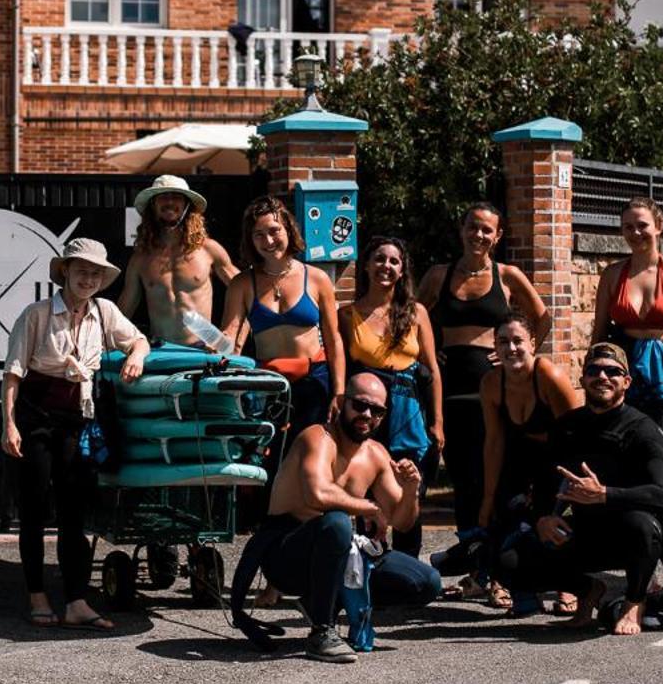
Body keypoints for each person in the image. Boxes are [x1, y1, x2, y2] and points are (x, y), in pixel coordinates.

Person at [1, 238, 149, 630]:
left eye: (95, 273)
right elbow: (13, 373)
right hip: (34, 418)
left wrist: (135, 354)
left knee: (73, 512)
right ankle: (36, 594)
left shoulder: (105, 311)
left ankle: (76, 600)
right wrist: (9, 424)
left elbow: (139, 339)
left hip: (78, 420)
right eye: (81, 270)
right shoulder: (36, 314)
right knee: (33, 511)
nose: (88, 278)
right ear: (65, 271)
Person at [233, 373, 431, 663]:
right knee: (337, 522)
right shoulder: (317, 437)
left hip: (338, 551)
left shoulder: (376, 454)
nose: (367, 415)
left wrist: (412, 489)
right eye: (360, 405)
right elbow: (318, 495)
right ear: (341, 402)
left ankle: (325, 602)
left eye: (377, 411)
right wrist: (370, 508)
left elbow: (401, 522)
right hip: (286, 555)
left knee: (426, 582)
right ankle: (321, 632)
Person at [488, 342, 663, 637]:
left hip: (628, 537)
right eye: (594, 370)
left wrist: (605, 495)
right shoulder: (567, 427)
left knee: (643, 526)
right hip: (585, 533)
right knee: (505, 560)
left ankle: (635, 600)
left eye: (612, 371)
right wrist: (542, 518)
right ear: (583, 379)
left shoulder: (643, 429)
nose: (602, 376)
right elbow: (545, 484)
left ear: (626, 382)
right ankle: (588, 589)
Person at [416, 201, 549, 588]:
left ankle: (499, 573)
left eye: (487, 230)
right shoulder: (438, 276)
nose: (479, 235)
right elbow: (411, 318)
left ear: (498, 236)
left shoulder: (507, 275)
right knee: (465, 484)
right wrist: (427, 348)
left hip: (496, 392)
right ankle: (476, 568)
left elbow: (542, 316)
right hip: (451, 393)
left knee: (501, 480)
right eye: (473, 227)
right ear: (461, 229)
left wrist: (524, 352)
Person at [589, 195, 663, 603]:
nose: (635, 233)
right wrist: (594, 382)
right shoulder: (612, 274)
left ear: (659, 226)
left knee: (662, 473)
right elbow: (599, 333)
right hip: (623, 375)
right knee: (624, 471)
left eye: (642, 225)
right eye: (628, 227)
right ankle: (641, 562)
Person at [338, 235, 443, 558]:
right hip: (366, 412)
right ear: (367, 266)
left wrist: (438, 423)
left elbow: (433, 369)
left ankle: (407, 567)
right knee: (367, 489)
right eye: (380, 259)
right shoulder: (346, 314)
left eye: (394, 261)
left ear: (402, 271)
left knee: (409, 487)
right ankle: (368, 563)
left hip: (410, 411)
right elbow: (340, 370)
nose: (386, 266)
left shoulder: (416, 312)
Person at [477, 309, 585, 612]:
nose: (511, 349)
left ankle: (569, 584)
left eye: (517, 341)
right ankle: (507, 582)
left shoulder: (549, 376)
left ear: (532, 342)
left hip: (560, 456)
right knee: (505, 509)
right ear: (495, 347)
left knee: (554, 516)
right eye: (503, 342)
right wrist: (488, 498)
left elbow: (576, 436)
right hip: (519, 455)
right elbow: (494, 441)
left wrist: (572, 489)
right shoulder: (490, 384)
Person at [218, 196, 344, 442]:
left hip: (314, 379)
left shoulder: (317, 279)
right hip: (268, 382)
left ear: (288, 229)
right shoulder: (242, 283)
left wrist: (339, 391)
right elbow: (229, 333)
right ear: (250, 240)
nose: (268, 240)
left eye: (274, 231)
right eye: (259, 234)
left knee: (311, 453)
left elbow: (334, 340)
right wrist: (216, 343)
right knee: (269, 458)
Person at [117, 174, 238, 346]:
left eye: (176, 197)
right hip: (161, 350)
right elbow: (122, 314)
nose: (170, 202)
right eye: (163, 197)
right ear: (153, 205)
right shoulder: (141, 258)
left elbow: (245, 294)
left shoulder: (208, 249)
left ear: (187, 205)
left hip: (204, 348)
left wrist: (230, 333)